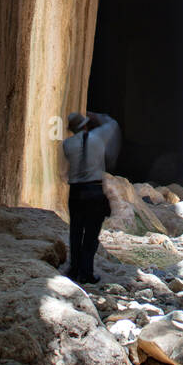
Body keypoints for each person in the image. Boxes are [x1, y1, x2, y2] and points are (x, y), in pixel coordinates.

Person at [62, 110, 120, 284]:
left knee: (76, 232)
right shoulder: (98, 138)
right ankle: (86, 272)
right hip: (94, 190)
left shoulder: (67, 144)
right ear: (86, 124)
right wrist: (96, 116)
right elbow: (112, 124)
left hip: (76, 191)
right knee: (91, 234)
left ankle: (74, 269)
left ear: (71, 130)